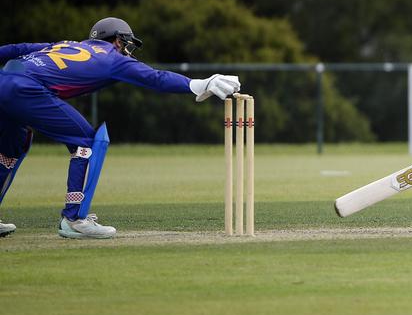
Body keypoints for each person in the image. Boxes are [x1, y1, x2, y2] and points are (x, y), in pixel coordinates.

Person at [0, 17, 241, 239]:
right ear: (116, 40)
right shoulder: (112, 58)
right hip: (27, 88)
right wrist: (199, 84)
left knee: (12, 147)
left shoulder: (66, 44)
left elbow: (17, 49)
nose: (127, 50)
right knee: (87, 143)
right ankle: (73, 218)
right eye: (125, 44)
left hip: (5, 79)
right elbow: (155, 78)